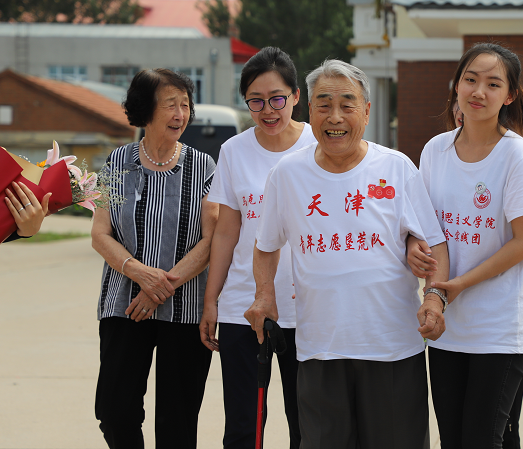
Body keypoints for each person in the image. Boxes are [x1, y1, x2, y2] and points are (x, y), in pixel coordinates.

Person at [245, 59, 448, 449]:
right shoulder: (287, 174)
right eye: (324, 104)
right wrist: (263, 294)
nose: (334, 116)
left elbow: (433, 242)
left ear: (367, 111)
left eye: (347, 104)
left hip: (392, 347)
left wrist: (435, 298)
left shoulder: (396, 167)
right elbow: (266, 246)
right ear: (309, 111)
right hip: (321, 347)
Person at [408, 42, 523, 448]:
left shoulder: (517, 156)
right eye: (470, 79)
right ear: (456, 86)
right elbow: (426, 229)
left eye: (492, 83)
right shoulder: (435, 150)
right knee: (453, 439)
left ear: (509, 96)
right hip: (447, 328)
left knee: (482, 440)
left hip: (499, 329)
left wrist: (461, 284)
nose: (478, 91)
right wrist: (415, 252)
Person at [91, 68, 218, 449]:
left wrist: (161, 286)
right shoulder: (116, 163)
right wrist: (138, 273)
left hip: (185, 310)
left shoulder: (205, 167)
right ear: (146, 110)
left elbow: (212, 242)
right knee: (114, 411)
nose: (181, 113)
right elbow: (100, 233)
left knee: (177, 422)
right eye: (170, 105)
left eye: (185, 105)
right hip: (124, 306)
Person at [199, 46, 315, 449]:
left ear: (297, 96)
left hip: (309, 309)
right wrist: (212, 301)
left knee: (308, 425)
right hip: (242, 309)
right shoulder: (234, 151)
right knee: (245, 426)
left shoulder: (322, 146)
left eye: (277, 98)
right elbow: (227, 233)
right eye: (256, 101)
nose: (268, 110)